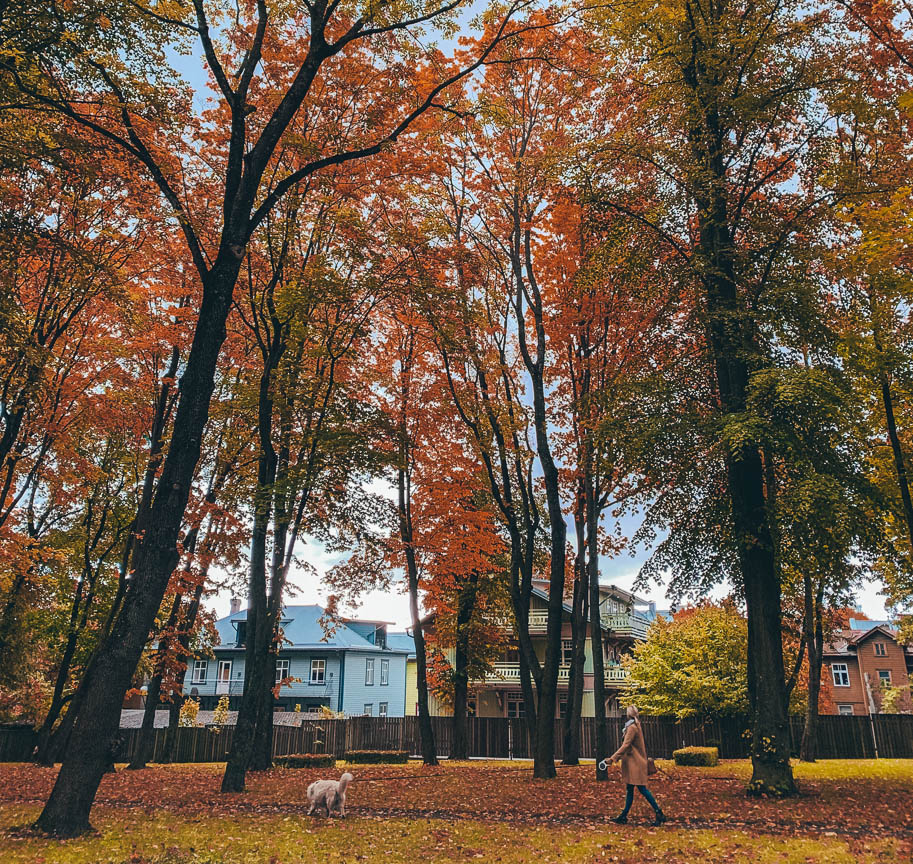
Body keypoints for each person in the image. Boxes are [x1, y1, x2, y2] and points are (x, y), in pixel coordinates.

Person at [607, 705, 666, 825]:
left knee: (642, 789)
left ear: (628, 714)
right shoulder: (633, 726)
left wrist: (612, 758)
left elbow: (626, 745)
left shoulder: (632, 728)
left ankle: (659, 812)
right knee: (630, 789)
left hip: (635, 763)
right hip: (633, 762)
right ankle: (624, 815)